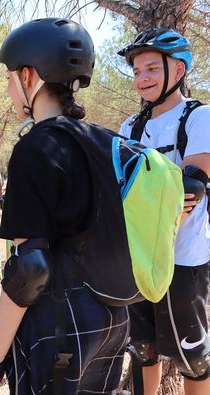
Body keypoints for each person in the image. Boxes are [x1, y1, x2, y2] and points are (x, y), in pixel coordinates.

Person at [0, 19, 129, 394]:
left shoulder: (33, 149)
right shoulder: (107, 142)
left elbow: (31, 270)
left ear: (30, 76)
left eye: (11, 76)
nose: (10, 88)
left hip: (61, 324)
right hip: (115, 319)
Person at [118, 28, 210, 395]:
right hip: (138, 260)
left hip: (184, 255)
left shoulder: (199, 116)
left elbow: (193, 185)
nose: (143, 79)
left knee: (194, 358)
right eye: (138, 72)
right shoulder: (130, 127)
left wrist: (159, 238)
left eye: (152, 69)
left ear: (180, 69)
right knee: (142, 350)